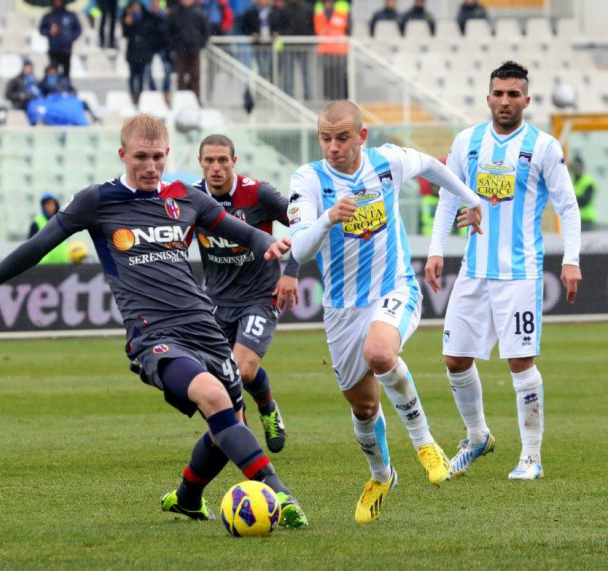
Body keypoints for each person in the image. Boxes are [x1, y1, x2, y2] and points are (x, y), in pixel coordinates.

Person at [0, 113, 308, 528]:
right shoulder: (98, 201)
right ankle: (281, 494)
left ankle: (186, 497)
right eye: (141, 157)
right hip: (155, 335)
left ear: (168, 154)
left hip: (204, 325)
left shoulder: (186, 196)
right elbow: (37, 247)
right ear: (122, 155)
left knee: (230, 427)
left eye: (158, 157)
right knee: (214, 398)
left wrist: (272, 244)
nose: (150, 167)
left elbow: (243, 232)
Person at [288, 100, 483, 522]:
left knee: (380, 354)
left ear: (361, 136)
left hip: (393, 288)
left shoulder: (386, 162)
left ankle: (425, 443)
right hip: (341, 309)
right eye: (326, 137)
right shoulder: (308, 179)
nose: (333, 146)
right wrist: (326, 219)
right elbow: (301, 250)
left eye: (342, 137)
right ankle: (381, 475)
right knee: (363, 407)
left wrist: (472, 198)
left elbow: (433, 165)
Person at [424, 61, 582, 481]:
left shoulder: (544, 146)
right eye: (499, 93)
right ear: (488, 97)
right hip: (473, 270)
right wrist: (437, 250)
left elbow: (567, 205)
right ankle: (477, 436)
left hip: (520, 274)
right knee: (454, 359)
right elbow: (447, 197)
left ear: (526, 100)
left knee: (520, 363)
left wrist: (571, 259)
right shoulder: (467, 141)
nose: (506, 101)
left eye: (514, 94)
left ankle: (531, 456)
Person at [194, 134, 299, 453]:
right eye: (209, 160)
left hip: (260, 295)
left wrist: (290, 273)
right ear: (200, 162)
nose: (216, 167)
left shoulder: (258, 193)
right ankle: (244, 422)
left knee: (243, 369)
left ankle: (265, 411)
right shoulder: (192, 198)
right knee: (215, 374)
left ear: (234, 162)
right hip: (217, 301)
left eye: (222, 160)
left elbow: (302, 224)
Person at [166, 0, 210, 103]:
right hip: (180, 50)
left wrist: (201, 44)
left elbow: (206, 30)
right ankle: (180, 101)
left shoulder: (198, 12)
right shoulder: (175, 13)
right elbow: (168, 31)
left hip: (194, 49)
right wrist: (174, 45)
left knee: (195, 75)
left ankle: (196, 100)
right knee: (180, 76)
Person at [273, 0, 314, 100]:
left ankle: (308, 96)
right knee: (288, 73)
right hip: (289, 46)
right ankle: (288, 97)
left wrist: (308, 40)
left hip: (304, 47)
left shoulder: (307, 8)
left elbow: (311, 27)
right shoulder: (283, 10)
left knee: (306, 73)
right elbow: (279, 28)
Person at [313, 0, 350, 100]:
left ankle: (340, 97)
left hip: (340, 50)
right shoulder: (320, 14)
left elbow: (347, 29)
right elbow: (318, 30)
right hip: (326, 50)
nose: (328, 4)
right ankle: (330, 98)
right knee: (328, 77)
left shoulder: (341, 13)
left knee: (339, 76)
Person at [39, 0, 82, 78]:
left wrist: (70, 38)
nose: (57, 2)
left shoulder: (70, 15)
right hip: (54, 49)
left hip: (66, 49)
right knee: (53, 72)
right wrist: (49, 32)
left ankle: (65, 87)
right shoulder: (49, 16)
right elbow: (42, 30)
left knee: (66, 73)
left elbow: (78, 29)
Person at [240, 0, 280, 81]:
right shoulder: (250, 12)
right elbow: (244, 28)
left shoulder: (273, 12)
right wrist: (252, 34)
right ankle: (262, 88)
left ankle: (267, 88)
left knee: (270, 68)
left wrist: (275, 33)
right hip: (257, 45)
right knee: (262, 69)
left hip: (270, 45)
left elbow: (279, 26)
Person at [28, 192, 69, 264]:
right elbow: (31, 248)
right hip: (45, 266)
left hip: (63, 264)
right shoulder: (37, 222)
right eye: (47, 204)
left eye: (52, 204)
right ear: (43, 206)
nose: (50, 206)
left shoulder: (61, 220)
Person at [569, 155, 597, 231]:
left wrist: (570, 201)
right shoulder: (570, 180)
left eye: (578, 166)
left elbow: (585, 200)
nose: (576, 169)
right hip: (573, 218)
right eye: (574, 166)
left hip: (585, 219)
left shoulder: (588, 181)